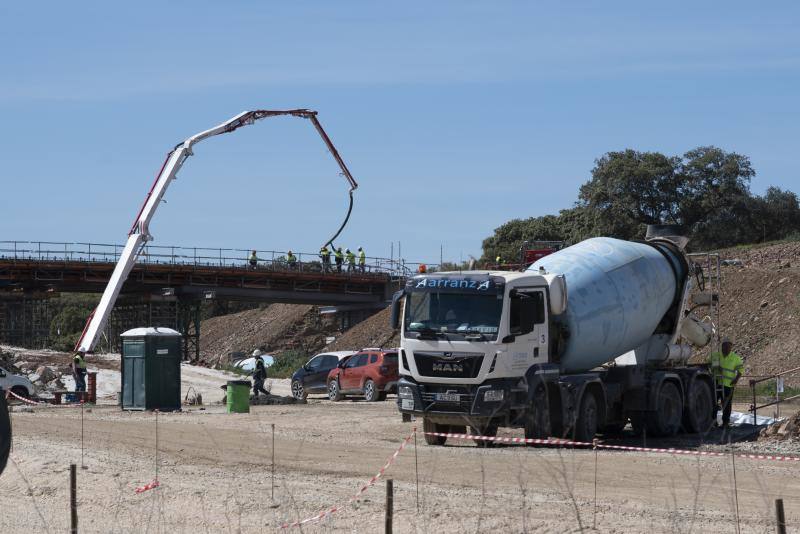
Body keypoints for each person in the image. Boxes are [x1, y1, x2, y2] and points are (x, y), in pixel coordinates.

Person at [708, 337, 744, 430]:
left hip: (728, 385)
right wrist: (716, 367)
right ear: (722, 346)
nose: (727, 348)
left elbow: (740, 370)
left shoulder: (735, 358)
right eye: (725, 346)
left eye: (729, 347)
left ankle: (725, 423)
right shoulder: (715, 356)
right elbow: (708, 365)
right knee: (713, 403)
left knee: (727, 405)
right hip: (716, 383)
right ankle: (713, 422)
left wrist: (736, 379)